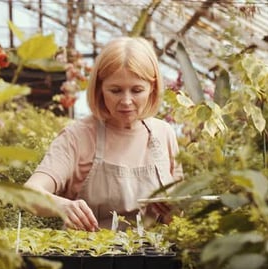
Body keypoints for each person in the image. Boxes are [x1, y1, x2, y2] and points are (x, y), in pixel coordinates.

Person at [24, 36, 183, 231]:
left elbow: (177, 219)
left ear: (152, 88)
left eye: (137, 90)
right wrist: (62, 206)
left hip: (154, 258)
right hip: (89, 258)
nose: (126, 101)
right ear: (100, 89)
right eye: (115, 90)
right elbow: (29, 194)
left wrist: (173, 211)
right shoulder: (78, 137)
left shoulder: (163, 134)